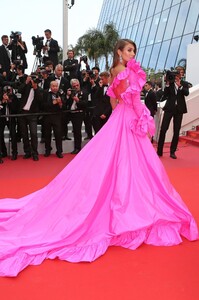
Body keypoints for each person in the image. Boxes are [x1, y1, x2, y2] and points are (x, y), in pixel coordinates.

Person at [0, 39, 198, 277]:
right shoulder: (125, 71)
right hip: (128, 122)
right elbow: (132, 99)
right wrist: (141, 117)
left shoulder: (116, 72)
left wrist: (126, 111)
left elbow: (115, 100)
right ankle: (129, 210)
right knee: (130, 167)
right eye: (128, 50)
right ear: (119, 51)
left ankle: (123, 203)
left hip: (120, 120)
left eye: (134, 50)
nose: (132, 53)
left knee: (119, 165)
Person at [157, 67, 189, 159]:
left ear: (181, 75)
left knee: (176, 130)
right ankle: (159, 151)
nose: (177, 75)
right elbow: (165, 96)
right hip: (169, 109)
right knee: (163, 129)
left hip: (179, 110)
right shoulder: (170, 84)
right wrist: (167, 84)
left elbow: (186, 93)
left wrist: (180, 86)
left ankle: (172, 152)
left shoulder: (184, 84)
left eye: (179, 73)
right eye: (176, 73)